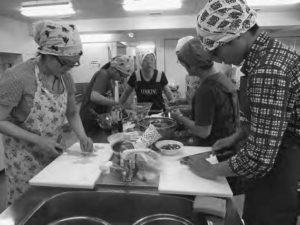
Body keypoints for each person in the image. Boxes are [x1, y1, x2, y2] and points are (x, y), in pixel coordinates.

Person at [193, 1, 300, 225]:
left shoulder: (267, 70)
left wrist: (211, 170)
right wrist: (236, 136)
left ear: (238, 34)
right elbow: (271, 118)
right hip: (278, 160)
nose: (215, 58)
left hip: (278, 170)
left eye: (217, 48)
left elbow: (259, 159)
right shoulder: (271, 54)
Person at [0, 20, 93, 205]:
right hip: (24, 158)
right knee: (29, 207)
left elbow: (72, 113)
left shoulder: (65, 77)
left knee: (53, 202)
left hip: (54, 152)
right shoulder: (17, 77)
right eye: (66, 63)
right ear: (48, 54)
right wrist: (39, 140)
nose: (69, 69)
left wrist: (82, 137)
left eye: (73, 64)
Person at [80, 55, 134, 133]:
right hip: (89, 118)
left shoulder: (109, 79)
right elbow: (94, 96)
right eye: (121, 76)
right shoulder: (103, 74)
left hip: (98, 118)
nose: (122, 79)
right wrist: (115, 103)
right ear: (115, 70)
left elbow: (107, 100)